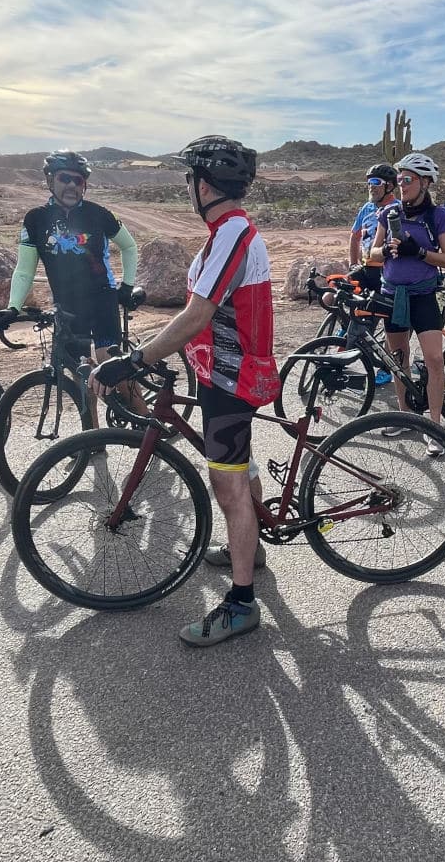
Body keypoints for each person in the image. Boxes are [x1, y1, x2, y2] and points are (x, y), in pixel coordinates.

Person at [89, 135, 280, 648]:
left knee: (228, 486)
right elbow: (205, 314)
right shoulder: (224, 232)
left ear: (202, 184)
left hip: (231, 377)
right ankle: (253, 549)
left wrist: (136, 358)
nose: (186, 190)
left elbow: (196, 314)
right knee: (241, 466)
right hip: (221, 370)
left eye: (188, 181)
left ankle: (242, 604)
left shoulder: (232, 234)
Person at [0, 150, 141, 424]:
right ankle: (92, 436)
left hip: (101, 298)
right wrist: (13, 308)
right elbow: (25, 269)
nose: (72, 185)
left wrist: (127, 286)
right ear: (50, 181)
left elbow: (129, 246)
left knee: (110, 362)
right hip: (68, 304)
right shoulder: (35, 219)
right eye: (65, 179)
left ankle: (148, 425)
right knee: (81, 370)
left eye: (78, 181)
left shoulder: (99, 214)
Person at [368, 151, 445, 457]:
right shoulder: (389, 214)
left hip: (422, 296)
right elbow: (372, 254)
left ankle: (434, 427)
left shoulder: (438, 215)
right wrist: (388, 252)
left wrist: (417, 252)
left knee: (434, 360)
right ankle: (405, 417)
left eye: (409, 179)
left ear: (425, 183)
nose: (402, 184)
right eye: (400, 179)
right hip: (393, 296)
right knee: (398, 359)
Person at [329, 163, 401, 385]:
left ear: (389, 186)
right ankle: (345, 331)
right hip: (365, 267)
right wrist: (352, 264)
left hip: (386, 272)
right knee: (331, 294)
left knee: (385, 318)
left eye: (376, 183)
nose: (371, 187)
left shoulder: (398, 209)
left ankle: (388, 368)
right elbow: (354, 236)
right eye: (369, 183)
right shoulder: (366, 208)